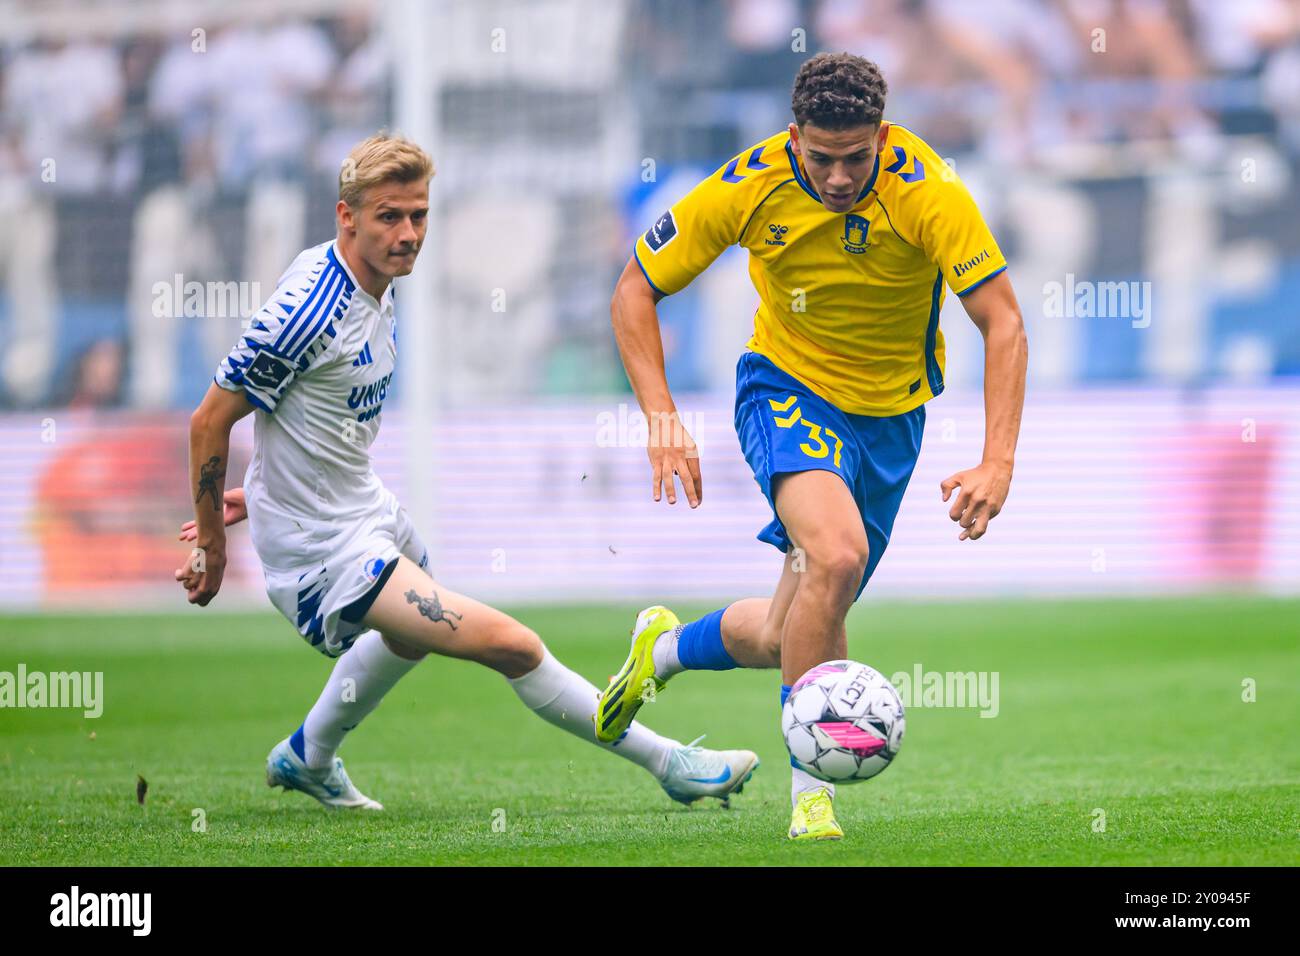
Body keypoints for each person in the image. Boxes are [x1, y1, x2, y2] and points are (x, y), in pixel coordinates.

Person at [175, 133, 757, 811]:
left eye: (419, 215)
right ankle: (671, 763)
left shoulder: (373, 282)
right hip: (319, 548)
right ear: (346, 217)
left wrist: (272, 487)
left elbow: (296, 406)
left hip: (358, 506)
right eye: (390, 216)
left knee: (407, 635)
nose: (409, 233)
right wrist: (214, 544)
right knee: (510, 643)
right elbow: (210, 420)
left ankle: (308, 754)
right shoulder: (306, 311)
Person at [595, 53, 1028, 840]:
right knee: (834, 556)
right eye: (820, 158)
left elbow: (1002, 321)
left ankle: (663, 651)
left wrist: (998, 459)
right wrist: (661, 416)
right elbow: (634, 289)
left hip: (893, 420)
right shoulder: (748, 183)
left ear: (882, 136)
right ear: (794, 136)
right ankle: (812, 796)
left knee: (784, 632)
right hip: (785, 389)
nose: (836, 177)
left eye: (855, 158)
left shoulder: (927, 191)